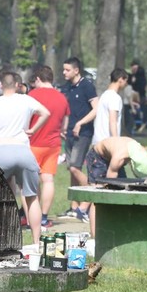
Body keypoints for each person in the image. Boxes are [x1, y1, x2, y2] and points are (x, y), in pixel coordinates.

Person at [83, 135, 147, 237]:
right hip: (98, 157)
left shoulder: (142, 153)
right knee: (98, 197)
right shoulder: (119, 157)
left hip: (114, 156)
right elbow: (110, 182)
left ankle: (117, 231)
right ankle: (95, 236)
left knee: (122, 193)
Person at [28, 66, 69, 230]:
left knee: (31, 181)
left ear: (38, 79)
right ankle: (44, 217)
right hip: (53, 144)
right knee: (48, 180)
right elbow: (64, 126)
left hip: (34, 143)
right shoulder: (62, 98)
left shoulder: (32, 95)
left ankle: (32, 216)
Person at [0, 138, 42, 243]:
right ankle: (37, 242)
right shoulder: (20, 142)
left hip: (2, 158)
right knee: (32, 198)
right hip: (26, 156)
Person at [61, 57, 97, 223]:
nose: (64, 72)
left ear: (76, 70)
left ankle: (90, 196)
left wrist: (80, 123)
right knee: (72, 169)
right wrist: (63, 128)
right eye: (64, 69)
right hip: (69, 133)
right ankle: (74, 207)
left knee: (75, 167)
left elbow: (96, 109)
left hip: (83, 133)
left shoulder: (87, 86)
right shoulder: (67, 87)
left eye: (67, 70)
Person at [92, 68, 127, 145]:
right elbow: (113, 121)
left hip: (97, 141)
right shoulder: (115, 98)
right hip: (108, 143)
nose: (126, 84)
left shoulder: (104, 95)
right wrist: (116, 142)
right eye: (125, 81)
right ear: (121, 79)